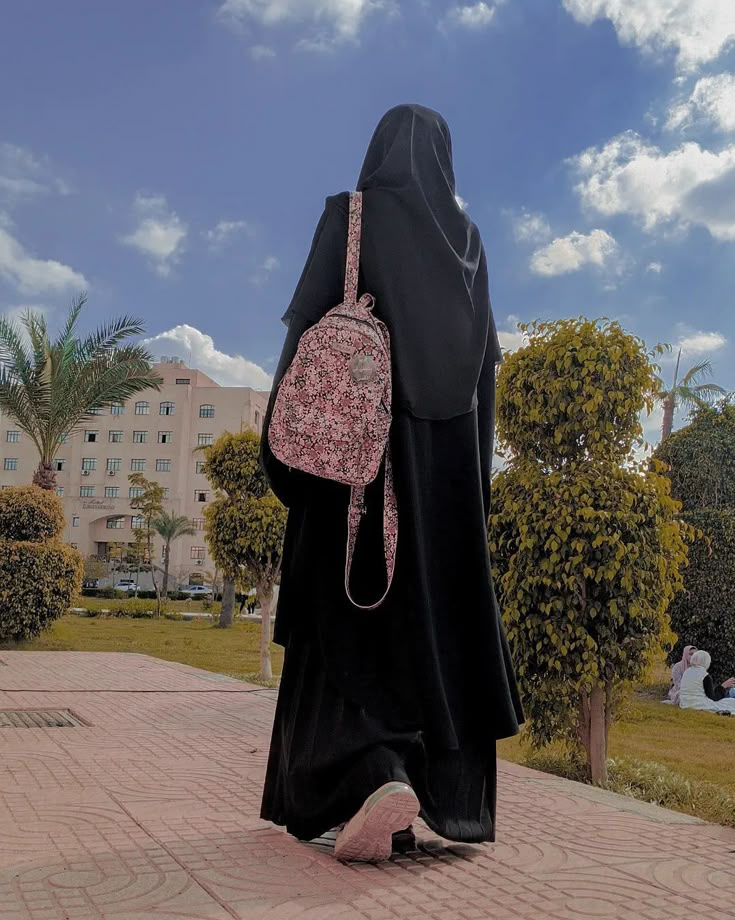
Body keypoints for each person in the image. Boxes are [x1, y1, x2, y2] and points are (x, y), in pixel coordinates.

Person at [260, 104, 524, 862]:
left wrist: (286, 466)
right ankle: (420, 796)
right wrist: (468, 500)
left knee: (345, 627)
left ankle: (375, 776)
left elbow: (304, 337)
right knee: (432, 635)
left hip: (354, 483)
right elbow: (483, 379)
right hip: (443, 495)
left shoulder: (350, 217)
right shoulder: (468, 245)